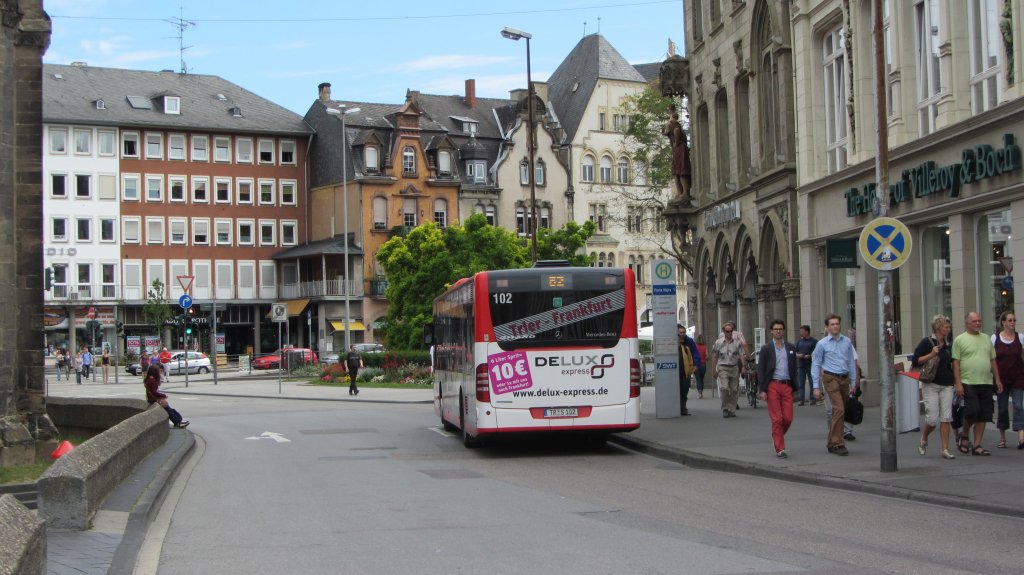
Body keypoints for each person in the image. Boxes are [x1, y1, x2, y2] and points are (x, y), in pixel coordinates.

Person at [952, 311, 1003, 456]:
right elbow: (956, 363)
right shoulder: (960, 339)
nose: (978, 323)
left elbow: (993, 360)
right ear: (967, 323)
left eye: (979, 321)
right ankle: (965, 434)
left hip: (986, 381)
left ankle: (977, 445)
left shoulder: (986, 338)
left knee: (984, 414)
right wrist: (958, 383)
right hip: (968, 381)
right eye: (974, 321)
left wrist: (997, 379)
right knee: (972, 411)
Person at [811, 314, 858, 456]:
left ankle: (831, 442)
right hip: (830, 378)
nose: (835, 326)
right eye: (832, 324)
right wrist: (816, 386)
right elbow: (816, 364)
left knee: (840, 410)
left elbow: (851, 362)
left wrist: (854, 381)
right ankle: (838, 443)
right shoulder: (822, 344)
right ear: (827, 327)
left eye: (837, 323)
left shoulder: (847, 342)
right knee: (839, 409)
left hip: (844, 378)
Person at [911, 314, 956, 459]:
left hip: (947, 384)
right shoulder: (927, 342)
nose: (948, 329)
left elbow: (952, 363)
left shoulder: (949, 344)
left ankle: (945, 449)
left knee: (946, 417)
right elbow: (916, 360)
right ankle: (924, 437)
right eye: (946, 327)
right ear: (938, 327)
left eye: (949, 327)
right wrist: (931, 354)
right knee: (932, 418)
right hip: (931, 383)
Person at [757, 319, 798, 458]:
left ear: (783, 331)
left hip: (787, 385)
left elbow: (794, 368)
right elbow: (761, 369)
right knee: (777, 419)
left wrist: (795, 386)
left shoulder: (791, 347)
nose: (778, 331)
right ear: (771, 331)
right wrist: (762, 389)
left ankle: (776, 434)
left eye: (781, 329)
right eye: (776, 329)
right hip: (773, 385)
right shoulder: (766, 348)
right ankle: (780, 448)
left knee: (788, 418)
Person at [991, 311, 1024, 450]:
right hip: (1001, 378)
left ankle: (1021, 437)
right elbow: (992, 360)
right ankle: (1002, 437)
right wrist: (994, 377)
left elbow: (1022, 357)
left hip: (1017, 377)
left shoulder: (1020, 337)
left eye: (1014, 320)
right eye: (1010, 320)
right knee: (1003, 408)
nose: (1012, 322)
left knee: (1018, 406)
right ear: (1003, 322)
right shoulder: (995, 338)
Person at [711, 321, 745, 418]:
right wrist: (714, 370)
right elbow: (714, 357)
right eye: (727, 331)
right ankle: (725, 408)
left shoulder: (737, 343)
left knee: (734, 390)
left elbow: (741, 354)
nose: (729, 333)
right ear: (724, 332)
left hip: (734, 367)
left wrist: (743, 366)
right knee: (724, 388)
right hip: (723, 367)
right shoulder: (718, 343)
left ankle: (732, 409)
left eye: (731, 331)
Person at [143, 364, 189, 428]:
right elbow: (154, 392)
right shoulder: (152, 380)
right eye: (158, 371)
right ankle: (177, 421)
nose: (159, 372)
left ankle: (179, 420)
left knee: (168, 408)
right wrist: (163, 395)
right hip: (153, 399)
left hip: (152, 398)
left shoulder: (150, 379)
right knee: (167, 408)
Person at [662, 105, 691, 203]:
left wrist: (675, 142)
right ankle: (680, 192)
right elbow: (665, 132)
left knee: (681, 171)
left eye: (668, 125)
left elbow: (676, 131)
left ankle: (685, 192)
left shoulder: (676, 128)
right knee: (676, 172)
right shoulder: (672, 128)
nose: (667, 126)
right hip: (676, 150)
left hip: (680, 149)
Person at [677, 325, 701, 416]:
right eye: (681, 333)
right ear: (677, 333)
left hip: (686, 369)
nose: (682, 334)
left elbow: (695, 353)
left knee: (685, 388)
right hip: (677, 369)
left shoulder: (689, 341)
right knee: (678, 389)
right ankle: (680, 407)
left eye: (684, 332)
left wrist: (696, 364)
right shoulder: (675, 341)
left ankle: (683, 407)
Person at [795, 325, 818, 406]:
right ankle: (801, 399)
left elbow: (818, 352)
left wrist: (810, 356)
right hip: (801, 364)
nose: (801, 333)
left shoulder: (814, 341)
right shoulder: (799, 341)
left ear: (807, 332)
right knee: (801, 382)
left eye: (802, 331)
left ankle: (813, 398)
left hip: (811, 364)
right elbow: (795, 352)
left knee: (812, 382)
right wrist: (798, 355)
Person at [694, 334, 708, 399]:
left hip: (696, 365)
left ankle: (699, 393)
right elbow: (707, 356)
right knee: (701, 379)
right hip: (703, 365)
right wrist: (705, 358)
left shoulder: (695, 346)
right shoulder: (705, 347)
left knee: (698, 379)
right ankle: (701, 392)